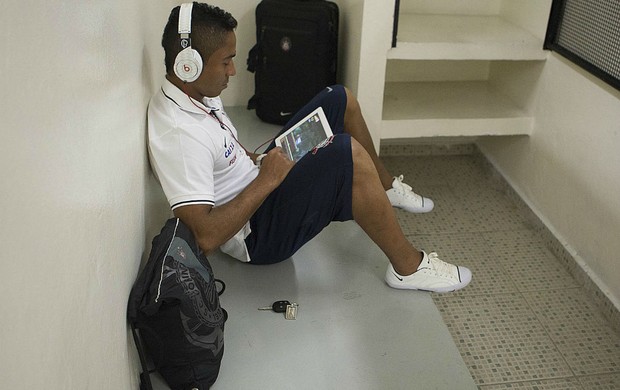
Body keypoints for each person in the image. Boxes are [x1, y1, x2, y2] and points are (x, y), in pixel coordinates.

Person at [147, 2, 472, 293]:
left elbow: (223, 147)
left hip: (263, 177)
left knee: (338, 99)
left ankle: (385, 189)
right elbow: (205, 237)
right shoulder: (179, 135)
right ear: (188, 65)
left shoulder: (196, 94)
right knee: (347, 156)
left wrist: (258, 160)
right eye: (226, 62)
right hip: (257, 233)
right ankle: (408, 268)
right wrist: (268, 179)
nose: (233, 70)